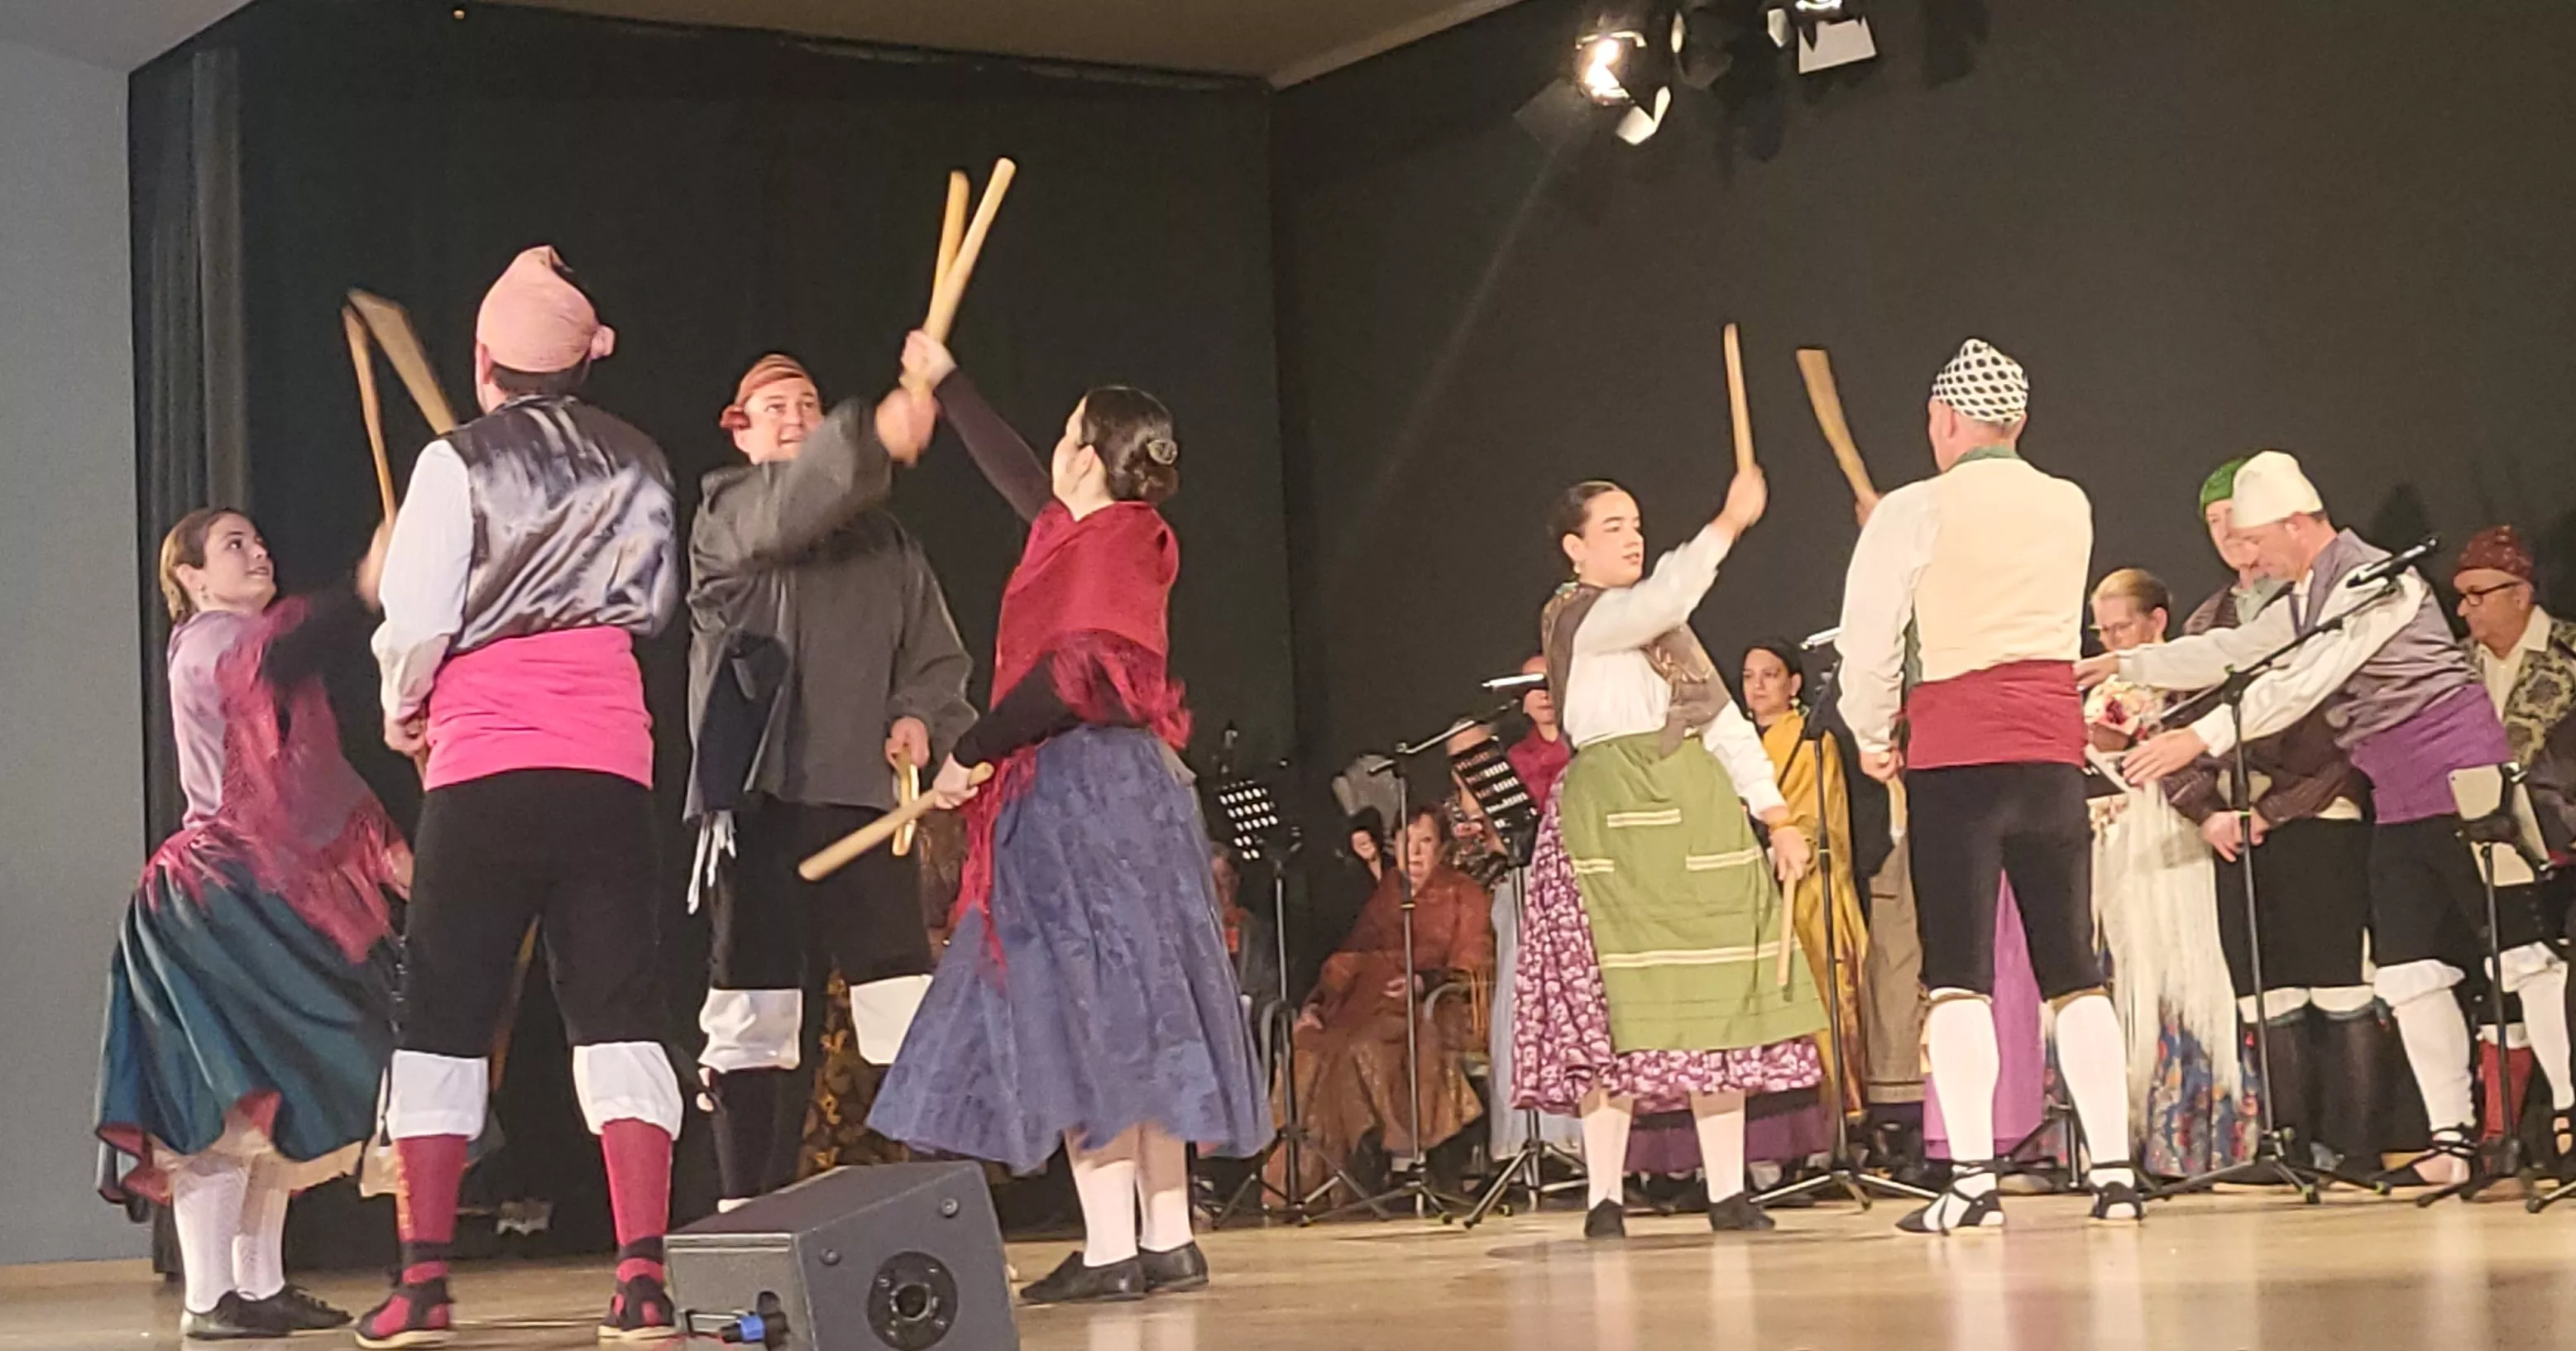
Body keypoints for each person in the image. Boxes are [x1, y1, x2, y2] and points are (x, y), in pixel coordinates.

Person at [869, 333, 1270, 1305]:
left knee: (1083, 1007)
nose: (1050, 451)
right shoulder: (1085, 531)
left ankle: (1109, 1248)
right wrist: (949, 378)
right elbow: (1018, 475)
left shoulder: (1120, 542)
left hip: (1084, 797)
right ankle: (1166, 1236)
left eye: (1064, 436)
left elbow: (1073, 674)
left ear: (1088, 453)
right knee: (1140, 1007)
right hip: (1115, 795)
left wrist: (972, 753)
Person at [360, 246, 701, 1345]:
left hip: (487, 767)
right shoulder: (644, 459)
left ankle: (422, 1283)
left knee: (446, 1013)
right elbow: (652, 606)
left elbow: (417, 621)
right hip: (609, 764)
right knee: (617, 1006)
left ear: (483, 359)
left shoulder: (454, 464)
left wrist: (400, 705)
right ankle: (641, 1275)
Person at [2093, 450, 2544, 1188]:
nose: (2250, 555)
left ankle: (2561, 1127)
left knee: (2523, 956)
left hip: (2466, 779)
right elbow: (2239, 647)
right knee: (2407, 972)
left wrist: (2198, 736)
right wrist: (2128, 666)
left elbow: (2307, 679)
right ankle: (2452, 1137)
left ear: (2297, 521)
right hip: (2399, 794)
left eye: (2258, 538)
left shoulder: (2379, 579)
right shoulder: (2307, 591)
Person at [1838, 338, 2142, 1232]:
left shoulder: (1915, 507)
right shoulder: (2069, 503)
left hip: (1957, 757)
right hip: (2051, 753)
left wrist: (1870, 730)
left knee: (1958, 976)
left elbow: (1870, 638)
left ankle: (1973, 1182)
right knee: (2074, 971)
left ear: (1944, 419)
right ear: (2020, 422)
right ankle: (2116, 1174)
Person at [95, 511, 405, 1341]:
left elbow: (317, 779)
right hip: (215, 903)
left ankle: (256, 1283)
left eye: (260, 538)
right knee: (226, 1104)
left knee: (279, 1099)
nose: (258, 549)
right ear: (192, 577)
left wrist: (380, 847)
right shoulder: (209, 643)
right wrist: (360, 590)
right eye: (235, 544)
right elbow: (271, 660)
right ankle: (208, 1294)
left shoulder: (269, 657)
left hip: (273, 892)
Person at [687, 351, 974, 1210]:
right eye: (774, 406)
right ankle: (747, 1215)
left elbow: (936, 657)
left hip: (862, 801)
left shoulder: (888, 544)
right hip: (759, 805)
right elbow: (792, 511)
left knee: (901, 1005)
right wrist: (875, 431)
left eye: (809, 404)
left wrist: (920, 714)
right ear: (739, 429)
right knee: (756, 1017)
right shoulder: (729, 513)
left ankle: (940, 1213)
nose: (795, 417)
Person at [1514, 467, 1827, 1239]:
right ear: (1573, 549)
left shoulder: (1668, 635)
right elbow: (1660, 598)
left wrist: (1777, 814)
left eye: (1636, 522)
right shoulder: (1578, 616)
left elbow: (1722, 724)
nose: (1632, 534)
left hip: (1695, 817)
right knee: (1613, 1009)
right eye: (1613, 526)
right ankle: (1604, 1198)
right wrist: (1726, 524)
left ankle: (1727, 1192)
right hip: (1610, 825)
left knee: (1714, 1002)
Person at [2161, 461, 2382, 1172]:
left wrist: (2276, 810)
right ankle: (2288, 1142)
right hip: (2234, 833)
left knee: (2339, 982)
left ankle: (2357, 1143)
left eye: (2239, 521)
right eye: (2215, 526)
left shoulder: (2328, 604)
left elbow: (2346, 729)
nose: (2231, 539)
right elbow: (2176, 729)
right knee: (2267, 990)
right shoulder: (2206, 621)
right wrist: (2207, 812)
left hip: (2319, 819)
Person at [2084, 568, 2260, 1178]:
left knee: (2184, 968)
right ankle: (2132, 1135)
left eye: (2122, 625)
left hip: (2175, 833)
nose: (2111, 640)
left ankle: (2200, 1139)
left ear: (2157, 620)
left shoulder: (2186, 675)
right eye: (2101, 630)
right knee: (2129, 973)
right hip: (2119, 841)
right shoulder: (2105, 681)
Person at [1271, 805, 1493, 1199]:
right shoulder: (1388, 893)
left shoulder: (1464, 892)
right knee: (1308, 1048)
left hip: (1431, 1007)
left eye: (1426, 842)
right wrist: (1316, 1007)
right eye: (1408, 842)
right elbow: (1347, 958)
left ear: (1442, 848)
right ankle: (1320, 1182)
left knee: (1364, 1048)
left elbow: (1474, 966)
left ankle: (1369, 1165)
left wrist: (1423, 982)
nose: (1416, 853)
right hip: (1366, 1004)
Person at [2454, 524, 2576, 1162]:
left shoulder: (2570, 651)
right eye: (2462, 595)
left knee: (2549, 976)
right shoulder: (2455, 668)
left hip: (2564, 847)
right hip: (2485, 839)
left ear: (2521, 592)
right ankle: (2501, 1133)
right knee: (2504, 978)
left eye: (2478, 593)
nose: (2466, 607)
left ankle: (2566, 1112)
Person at [1740, 638, 1870, 1119]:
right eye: (1750, 676)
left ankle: (1832, 1119)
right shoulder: (1735, 746)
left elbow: (1820, 817)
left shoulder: (1812, 741)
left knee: (1817, 994)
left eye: (1769, 675)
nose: (1757, 686)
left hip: (1805, 889)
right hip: (1748, 893)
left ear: (1794, 684)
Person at [1491, 656, 1584, 1160]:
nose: (1543, 693)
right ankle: (1537, 1140)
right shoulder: (1513, 759)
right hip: (1529, 882)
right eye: (1531, 685)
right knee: (1525, 1000)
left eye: (1550, 682)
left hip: (1586, 884)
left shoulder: (1588, 745)